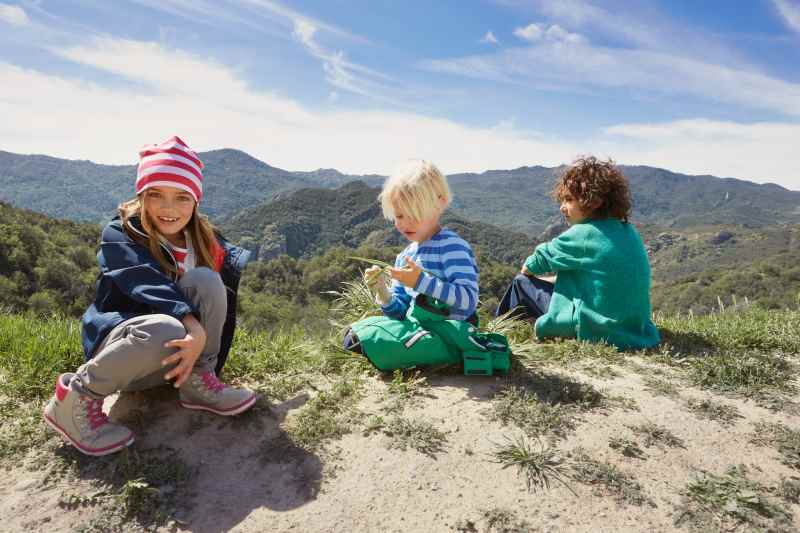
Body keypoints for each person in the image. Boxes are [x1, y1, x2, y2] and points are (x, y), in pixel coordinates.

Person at [43, 136, 256, 456]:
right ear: (142, 195)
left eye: (182, 197)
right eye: (156, 195)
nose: (169, 209)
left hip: (174, 362)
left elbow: (216, 289)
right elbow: (145, 281)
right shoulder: (120, 234)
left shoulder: (202, 240)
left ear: (196, 201)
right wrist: (192, 325)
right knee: (165, 327)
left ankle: (198, 381)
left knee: (207, 280)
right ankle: (76, 398)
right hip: (127, 352)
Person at [496, 155, 660, 350]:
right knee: (556, 279)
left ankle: (498, 333)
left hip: (596, 329)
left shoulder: (584, 234)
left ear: (593, 201)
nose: (562, 207)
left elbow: (529, 267)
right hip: (633, 329)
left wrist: (543, 275)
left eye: (568, 199)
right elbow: (591, 278)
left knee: (520, 283)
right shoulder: (628, 231)